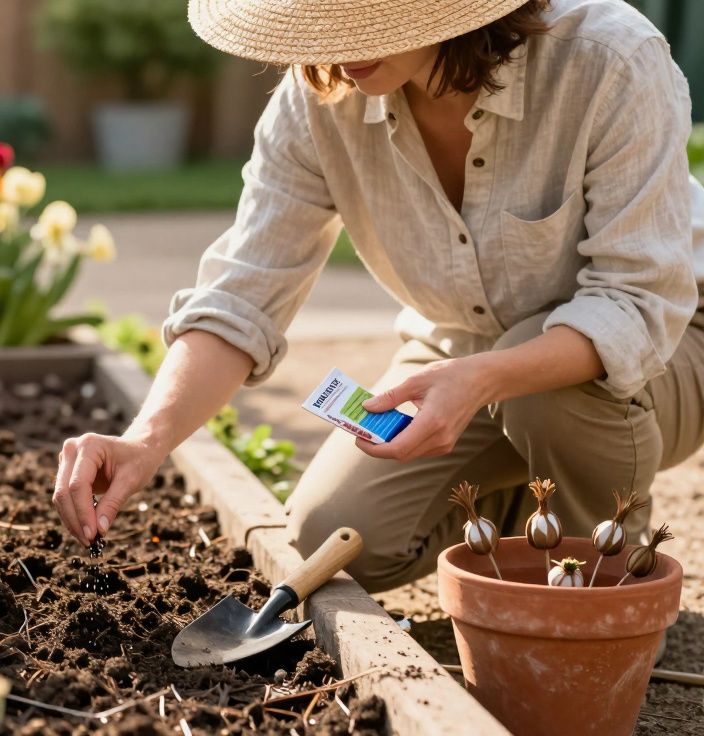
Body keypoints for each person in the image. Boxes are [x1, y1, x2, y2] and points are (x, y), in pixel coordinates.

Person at [53, 0, 704, 592]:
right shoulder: (318, 99)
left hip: (664, 353)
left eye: (364, 17)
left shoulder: (608, 61)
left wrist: (482, 379)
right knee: (331, 537)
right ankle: (524, 502)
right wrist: (145, 440)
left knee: (544, 401)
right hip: (460, 348)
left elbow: (635, 301)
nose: (333, 47)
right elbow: (244, 290)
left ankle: (595, 583)